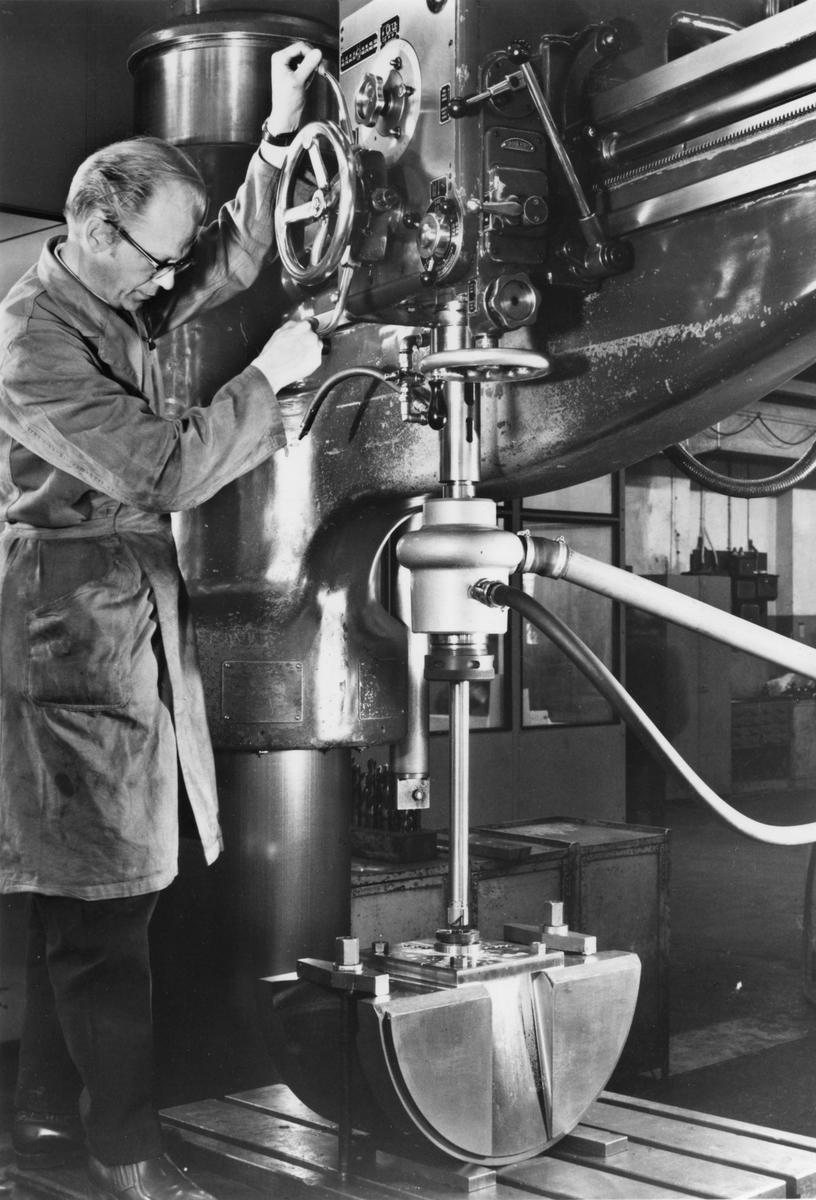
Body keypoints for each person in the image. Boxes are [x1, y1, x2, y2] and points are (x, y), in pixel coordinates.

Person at [0, 40, 324, 1200]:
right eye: (155, 257)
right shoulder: (33, 343)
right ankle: (126, 1153)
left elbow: (220, 260)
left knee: (85, 903)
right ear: (94, 229)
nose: (168, 280)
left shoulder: (112, 290)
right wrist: (268, 381)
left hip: (120, 610)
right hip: (71, 629)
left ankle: (45, 1125)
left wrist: (277, 140)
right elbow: (163, 470)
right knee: (106, 914)